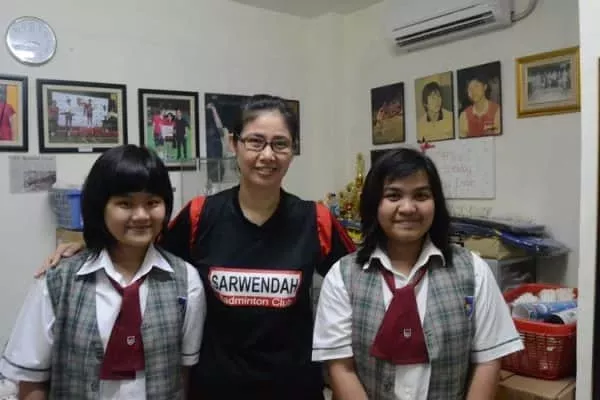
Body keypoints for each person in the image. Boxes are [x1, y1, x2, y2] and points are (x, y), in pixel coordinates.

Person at [39, 94, 356, 400]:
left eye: (280, 144)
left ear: (293, 149)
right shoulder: (200, 215)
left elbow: (361, 276)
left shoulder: (315, 219)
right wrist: (88, 247)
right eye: (255, 141)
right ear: (233, 143)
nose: (267, 155)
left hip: (294, 388)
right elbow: (141, 250)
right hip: (214, 389)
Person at [312, 148, 524, 400]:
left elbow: (488, 362)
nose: (408, 208)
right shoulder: (343, 276)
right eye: (393, 195)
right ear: (374, 204)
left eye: (421, 195)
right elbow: (341, 368)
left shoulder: (473, 270)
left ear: (436, 203)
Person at [5, 145, 206, 399]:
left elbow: (182, 375)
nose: (141, 215)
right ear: (101, 207)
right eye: (125, 203)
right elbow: (32, 380)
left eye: (152, 202)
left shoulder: (186, 281)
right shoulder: (58, 282)